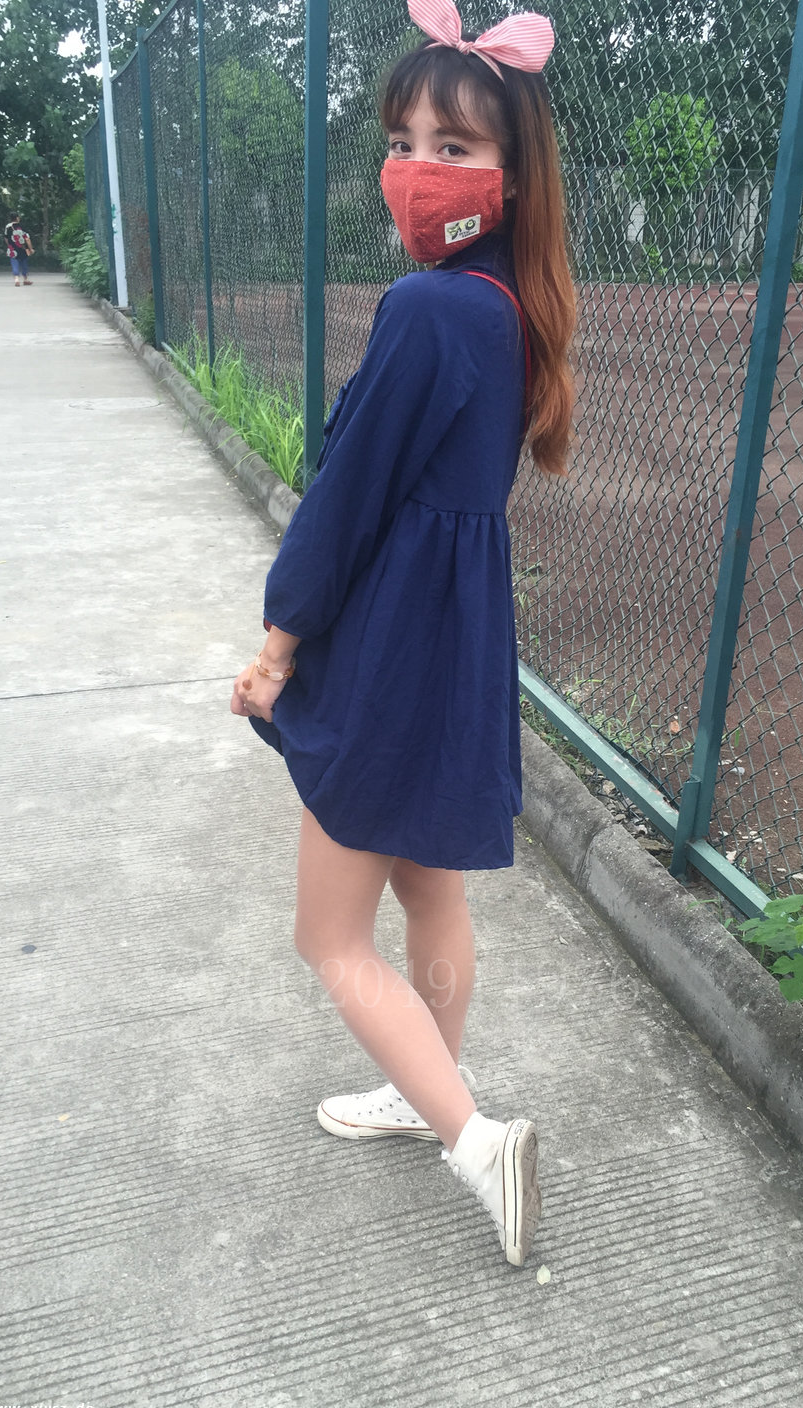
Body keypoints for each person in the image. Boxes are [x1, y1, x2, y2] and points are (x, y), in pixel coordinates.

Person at [231, 0, 576, 1266]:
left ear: (509, 173)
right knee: (429, 890)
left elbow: (345, 501)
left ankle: (476, 1142)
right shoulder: (506, 302)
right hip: (454, 648)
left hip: (385, 651)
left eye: (455, 147)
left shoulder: (430, 310)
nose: (418, 168)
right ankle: (426, 1084)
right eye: (402, 140)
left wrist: (278, 647)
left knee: (326, 936)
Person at [5, 213, 33, 285]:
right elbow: (27, 239)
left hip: (12, 249)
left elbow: (6, 238)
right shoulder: (21, 226)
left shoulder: (8, 227)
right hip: (23, 248)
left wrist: (9, 246)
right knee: (24, 263)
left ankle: (16, 280)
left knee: (14, 263)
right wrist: (31, 249)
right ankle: (25, 279)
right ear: (17, 218)